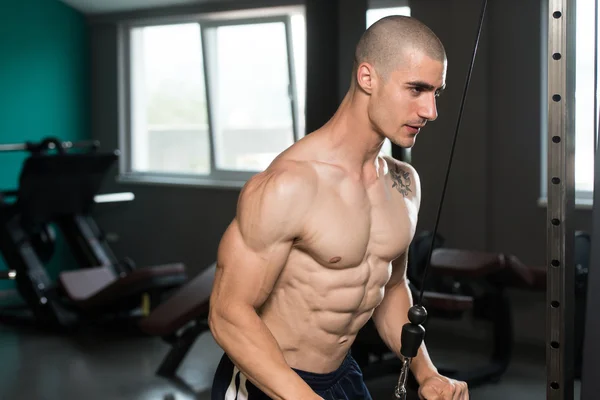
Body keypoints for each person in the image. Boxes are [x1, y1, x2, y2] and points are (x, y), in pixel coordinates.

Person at [208, 15, 469, 400]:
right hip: (266, 382)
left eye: (436, 93)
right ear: (368, 78)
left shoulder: (404, 183)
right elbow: (228, 314)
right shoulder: (291, 184)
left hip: (341, 376)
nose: (430, 110)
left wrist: (426, 373)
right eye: (416, 89)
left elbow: (391, 287)